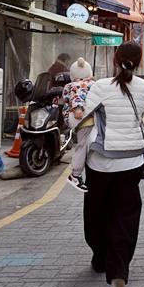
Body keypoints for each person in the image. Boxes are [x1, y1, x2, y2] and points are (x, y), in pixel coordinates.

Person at [81, 42, 144, 287]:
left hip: (100, 163)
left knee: (96, 214)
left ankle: (101, 257)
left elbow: (81, 120)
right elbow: (141, 113)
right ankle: (118, 271)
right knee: (125, 217)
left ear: (115, 59)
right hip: (132, 161)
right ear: (139, 60)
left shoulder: (100, 87)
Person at [63, 58, 96, 193]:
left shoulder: (68, 86)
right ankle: (75, 175)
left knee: (84, 144)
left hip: (73, 120)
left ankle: (80, 171)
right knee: (83, 145)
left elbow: (65, 102)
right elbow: (78, 98)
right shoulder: (88, 84)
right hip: (83, 118)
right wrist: (78, 108)